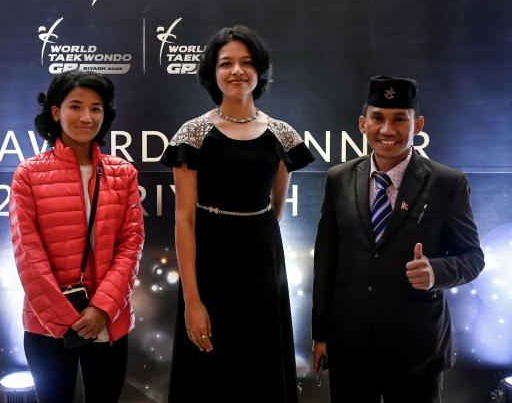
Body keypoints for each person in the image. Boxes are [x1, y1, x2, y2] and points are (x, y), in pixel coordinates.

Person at [160, 25, 315, 402]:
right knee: (209, 372)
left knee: (262, 368)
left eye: (246, 63)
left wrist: (256, 238)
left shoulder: (282, 134)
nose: (237, 71)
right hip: (209, 265)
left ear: (259, 71)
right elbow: (184, 220)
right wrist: (192, 300)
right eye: (226, 63)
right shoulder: (192, 135)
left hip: (264, 266)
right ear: (213, 73)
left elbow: (275, 207)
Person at [311, 75, 485, 403]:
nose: (387, 130)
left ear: (417, 124)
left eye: (399, 119)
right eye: (378, 118)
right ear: (363, 123)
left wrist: (435, 271)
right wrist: (320, 335)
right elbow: (326, 260)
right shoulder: (338, 178)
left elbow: (472, 258)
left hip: (416, 348)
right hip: (349, 343)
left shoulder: (448, 183)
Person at [9, 70, 144, 403]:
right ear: (56, 112)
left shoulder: (123, 173)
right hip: (47, 325)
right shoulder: (28, 174)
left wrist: (101, 308)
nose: (87, 117)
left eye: (96, 108)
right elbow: (28, 254)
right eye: (76, 106)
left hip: (108, 320)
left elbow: (131, 245)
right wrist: (66, 319)